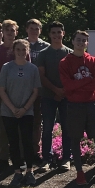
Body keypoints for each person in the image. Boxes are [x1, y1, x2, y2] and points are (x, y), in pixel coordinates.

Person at [60, 30, 95, 185]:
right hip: (74, 105)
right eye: (78, 40)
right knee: (75, 139)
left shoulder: (94, 62)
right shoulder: (65, 62)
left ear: (87, 44)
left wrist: (78, 85)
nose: (81, 43)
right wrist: (87, 81)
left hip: (92, 104)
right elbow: (68, 86)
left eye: (84, 41)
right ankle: (80, 173)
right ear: (72, 41)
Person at [0, 39, 41, 187]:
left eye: (24, 50)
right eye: (18, 50)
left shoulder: (33, 68)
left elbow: (35, 92)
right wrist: (12, 108)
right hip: (8, 112)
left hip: (26, 112)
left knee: (27, 142)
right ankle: (17, 172)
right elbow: (1, 89)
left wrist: (24, 109)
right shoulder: (7, 67)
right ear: (13, 51)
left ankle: (30, 171)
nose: (21, 52)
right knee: (13, 142)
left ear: (28, 51)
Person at [0, 20, 24, 166]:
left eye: (12, 30)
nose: (10, 32)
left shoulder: (22, 51)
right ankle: (3, 159)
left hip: (20, 95)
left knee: (20, 128)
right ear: (2, 32)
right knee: (2, 128)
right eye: (7, 30)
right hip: (0, 95)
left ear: (16, 32)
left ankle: (20, 158)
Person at [38, 21, 72, 170]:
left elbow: (74, 76)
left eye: (59, 32)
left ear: (63, 33)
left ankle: (66, 159)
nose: (57, 35)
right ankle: (46, 159)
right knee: (47, 128)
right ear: (49, 35)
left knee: (67, 127)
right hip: (48, 96)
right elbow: (41, 76)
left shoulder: (70, 53)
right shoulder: (43, 54)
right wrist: (56, 91)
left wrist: (63, 91)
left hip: (67, 97)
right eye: (53, 33)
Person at [26, 19, 49, 161]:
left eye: (37, 28)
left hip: (40, 90)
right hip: (23, 90)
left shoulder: (45, 46)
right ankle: (22, 151)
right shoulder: (20, 45)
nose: (34, 31)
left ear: (40, 30)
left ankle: (35, 151)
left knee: (37, 122)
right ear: (26, 29)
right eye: (31, 28)